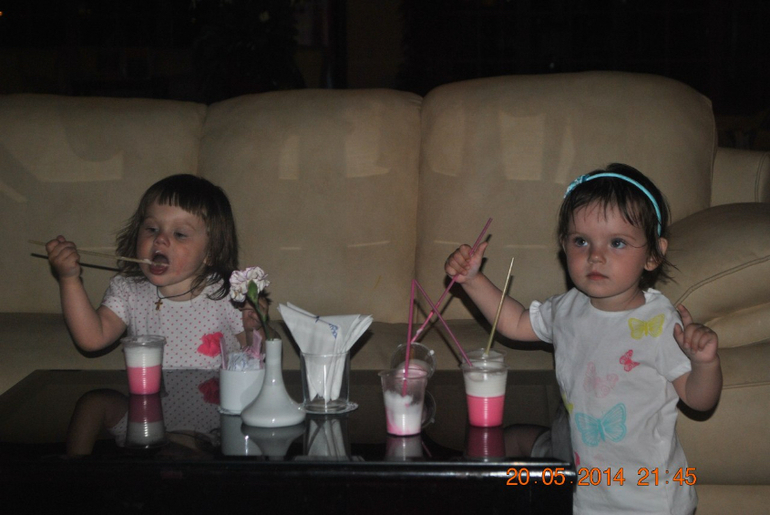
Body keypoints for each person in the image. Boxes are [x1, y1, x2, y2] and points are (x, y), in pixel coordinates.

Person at [445, 163, 722, 514]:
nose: (595, 255)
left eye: (617, 242)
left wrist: (705, 363)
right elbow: (514, 322)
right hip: (588, 495)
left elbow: (699, 399)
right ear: (564, 246)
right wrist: (473, 281)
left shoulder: (659, 323)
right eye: (581, 241)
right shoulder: (567, 308)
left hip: (651, 499)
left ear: (653, 254)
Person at [46, 174, 246, 368]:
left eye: (179, 234)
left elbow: (256, 351)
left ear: (211, 252)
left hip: (216, 391)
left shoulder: (228, 295)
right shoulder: (128, 291)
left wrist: (256, 322)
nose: (160, 239)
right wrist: (69, 279)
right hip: (147, 391)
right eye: (151, 229)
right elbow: (92, 339)